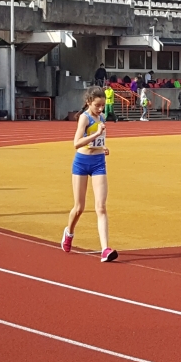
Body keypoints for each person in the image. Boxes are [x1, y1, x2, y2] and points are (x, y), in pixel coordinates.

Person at [61, 86, 118, 263]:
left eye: (103, 106)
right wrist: (97, 135)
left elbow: (98, 140)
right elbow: (76, 143)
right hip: (81, 163)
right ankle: (69, 232)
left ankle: (105, 249)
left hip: (99, 163)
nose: (100, 109)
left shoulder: (102, 117)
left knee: (101, 207)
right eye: (97, 105)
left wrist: (103, 147)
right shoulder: (84, 118)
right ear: (88, 102)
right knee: (79, 208)